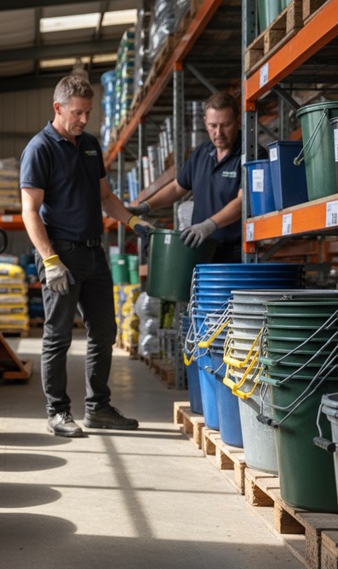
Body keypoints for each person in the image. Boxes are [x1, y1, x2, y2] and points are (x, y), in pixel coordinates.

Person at [20, 75, 153, 438]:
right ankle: (58, 411)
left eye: (88, 113)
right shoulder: (40, 149)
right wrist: (49, 260)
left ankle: (98, 408)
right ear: (57, 108)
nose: (83, 119)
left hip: (95, 255)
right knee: (58, 335)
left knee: (104, 331)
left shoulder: (90, 145)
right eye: (77, 113)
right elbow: (30, 211)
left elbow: (105, 198)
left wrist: (133, 220)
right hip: (61, 254)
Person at [130, 91, 244, 263]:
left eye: (225, 124)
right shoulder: (201, 153)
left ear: (238, 120)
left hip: (236, 253)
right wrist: (146, 206)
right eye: (213, 126)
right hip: (201, 249)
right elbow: (177, 187)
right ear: (205, 122)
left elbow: (244, 201)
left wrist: (208, 226)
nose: (218, 132)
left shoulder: (250, 152)